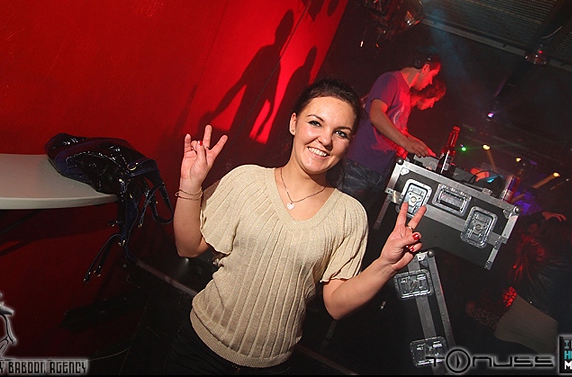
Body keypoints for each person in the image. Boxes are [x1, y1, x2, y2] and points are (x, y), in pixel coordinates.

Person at [164, 78, 426, 374]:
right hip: (199, 351)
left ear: (349, 143)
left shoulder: (349, 215)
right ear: (293, 123)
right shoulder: (246, 180)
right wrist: (190, 185)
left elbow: (336, 305)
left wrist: (385, 265)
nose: (325, 140)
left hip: (270, 367)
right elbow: (188, 246)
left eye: (340, 132)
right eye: (315, 123)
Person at [338, 46, 443, 218]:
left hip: (379, 171)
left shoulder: (406, 93)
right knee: (339, 218)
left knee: (355, 224)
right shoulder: (390, 80)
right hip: (360, 166)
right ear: (424, 68)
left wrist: (417, 143)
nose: (430, 82)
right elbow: (376, 115)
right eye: (432, 76)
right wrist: (406, 143)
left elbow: (396, 128)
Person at [491, 214, 572, 355]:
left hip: (517, 318)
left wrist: (541, 214)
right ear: (569, 236)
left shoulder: (535, 247)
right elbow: (571, 305)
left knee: (496, 364)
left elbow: (516, 224)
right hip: (544, 329)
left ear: (547, 230)